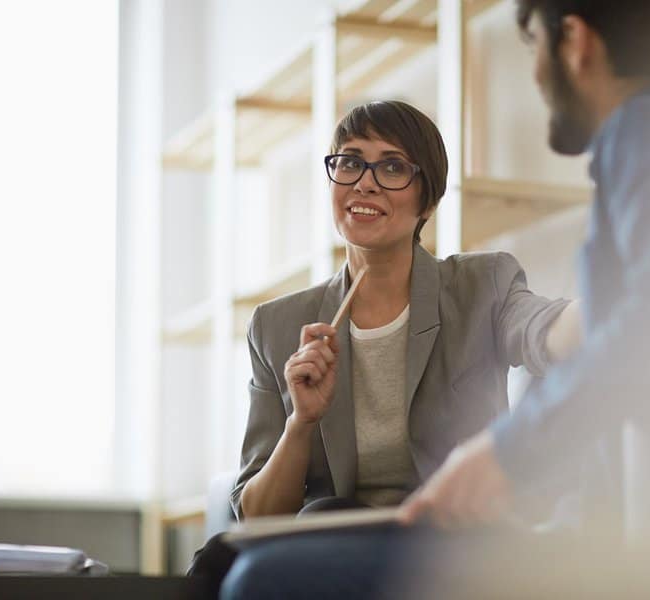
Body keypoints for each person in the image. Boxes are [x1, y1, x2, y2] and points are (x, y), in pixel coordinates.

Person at [220, 0, 650, 597]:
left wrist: (506, 455)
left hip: (616, 540)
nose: (534, 72)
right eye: (350, 164)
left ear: (575, 42)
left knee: (260, 581)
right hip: (616, 527)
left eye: (533, 43)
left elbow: (649, 326)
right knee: (259, 565)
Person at [233, 99, 580, 520]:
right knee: (311, 517)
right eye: (350, 163)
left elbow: (541, 329)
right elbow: (257, 516)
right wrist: (301, 422)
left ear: (427, 202)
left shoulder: (482, 286)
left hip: (449, 533)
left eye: (393, 167)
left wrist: (618, 306)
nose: (365, 183)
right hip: (333, 539)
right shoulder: (275, 326)